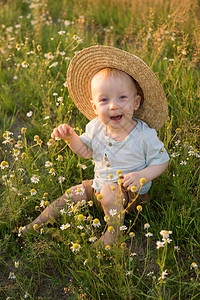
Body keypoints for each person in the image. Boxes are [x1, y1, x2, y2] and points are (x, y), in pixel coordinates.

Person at [25, 45, 170, 245]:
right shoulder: (95, 127)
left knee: (111, 192)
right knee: (70, 194)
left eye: (122, 97)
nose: (113, 105)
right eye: (104, 100)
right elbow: (86, 152)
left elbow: (162, 160)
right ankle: (36, 223)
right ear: (94, 107)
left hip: (130, 194)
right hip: (98, 188)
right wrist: (71, 138)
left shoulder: (144, 135)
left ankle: (114, 232)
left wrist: (142, 176)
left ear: (136, 103)